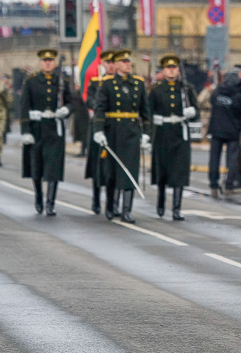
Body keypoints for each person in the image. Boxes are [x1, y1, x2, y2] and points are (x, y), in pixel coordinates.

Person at [93, 49, 150, 224]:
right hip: (113, 132)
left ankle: (127, 210)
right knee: (112, 171)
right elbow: (100, 109)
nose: (127, 64)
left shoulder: (138, 84)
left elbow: (145, 112)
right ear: (116, 64)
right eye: (124, 62)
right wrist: (99, 130)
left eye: (128, 62)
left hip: (131, 132)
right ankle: (111, 206)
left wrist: (146, 134)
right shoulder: (108, 84)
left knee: (130, 170)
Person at [20, 49, 73, 215]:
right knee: (36, 166)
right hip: (37, 128)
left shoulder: (61, 82)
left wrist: (66, 109)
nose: (48, 63)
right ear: (40, 63)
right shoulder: (32, 81)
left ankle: (50, 203)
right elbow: (24, 106)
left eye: (51, 60)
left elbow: (72, 102)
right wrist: (26, 130)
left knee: (53, 167)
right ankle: (38, 196)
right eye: (45, 60)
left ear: (55, 62)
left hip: (55, 128)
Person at [149, 54, 198, 220]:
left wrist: (192, 113)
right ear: (163, 70)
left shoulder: (186, 89)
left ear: (178, 70)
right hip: (162, 134)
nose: (171, 71)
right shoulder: (156, 90)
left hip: (179, 134)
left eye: (174, 68)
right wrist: (153, 122)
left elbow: (196, 111)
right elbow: (148, 111)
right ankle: (160, 203)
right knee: (162, 172)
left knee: (179, 172)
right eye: (168, 68)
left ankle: (176, 208)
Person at [207, 67, 241, 198]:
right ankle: (228, 184)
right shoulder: (239, 95)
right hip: (233, 130)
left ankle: (213, 185)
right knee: (232, 159)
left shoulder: (217, 91)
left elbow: (211, 102)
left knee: (214, 158)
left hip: (216, 129)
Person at [85, 50, 116, 215]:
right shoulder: (96, 82)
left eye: (112, 63)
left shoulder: (119, 83)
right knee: (97, 163)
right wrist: (100, 102)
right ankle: (96, 199)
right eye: (107, 63)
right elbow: (88, 100)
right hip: (98, 126)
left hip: (114, 127)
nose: (110, 66)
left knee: (115, 165)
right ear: (103, 64)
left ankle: (114, 202)